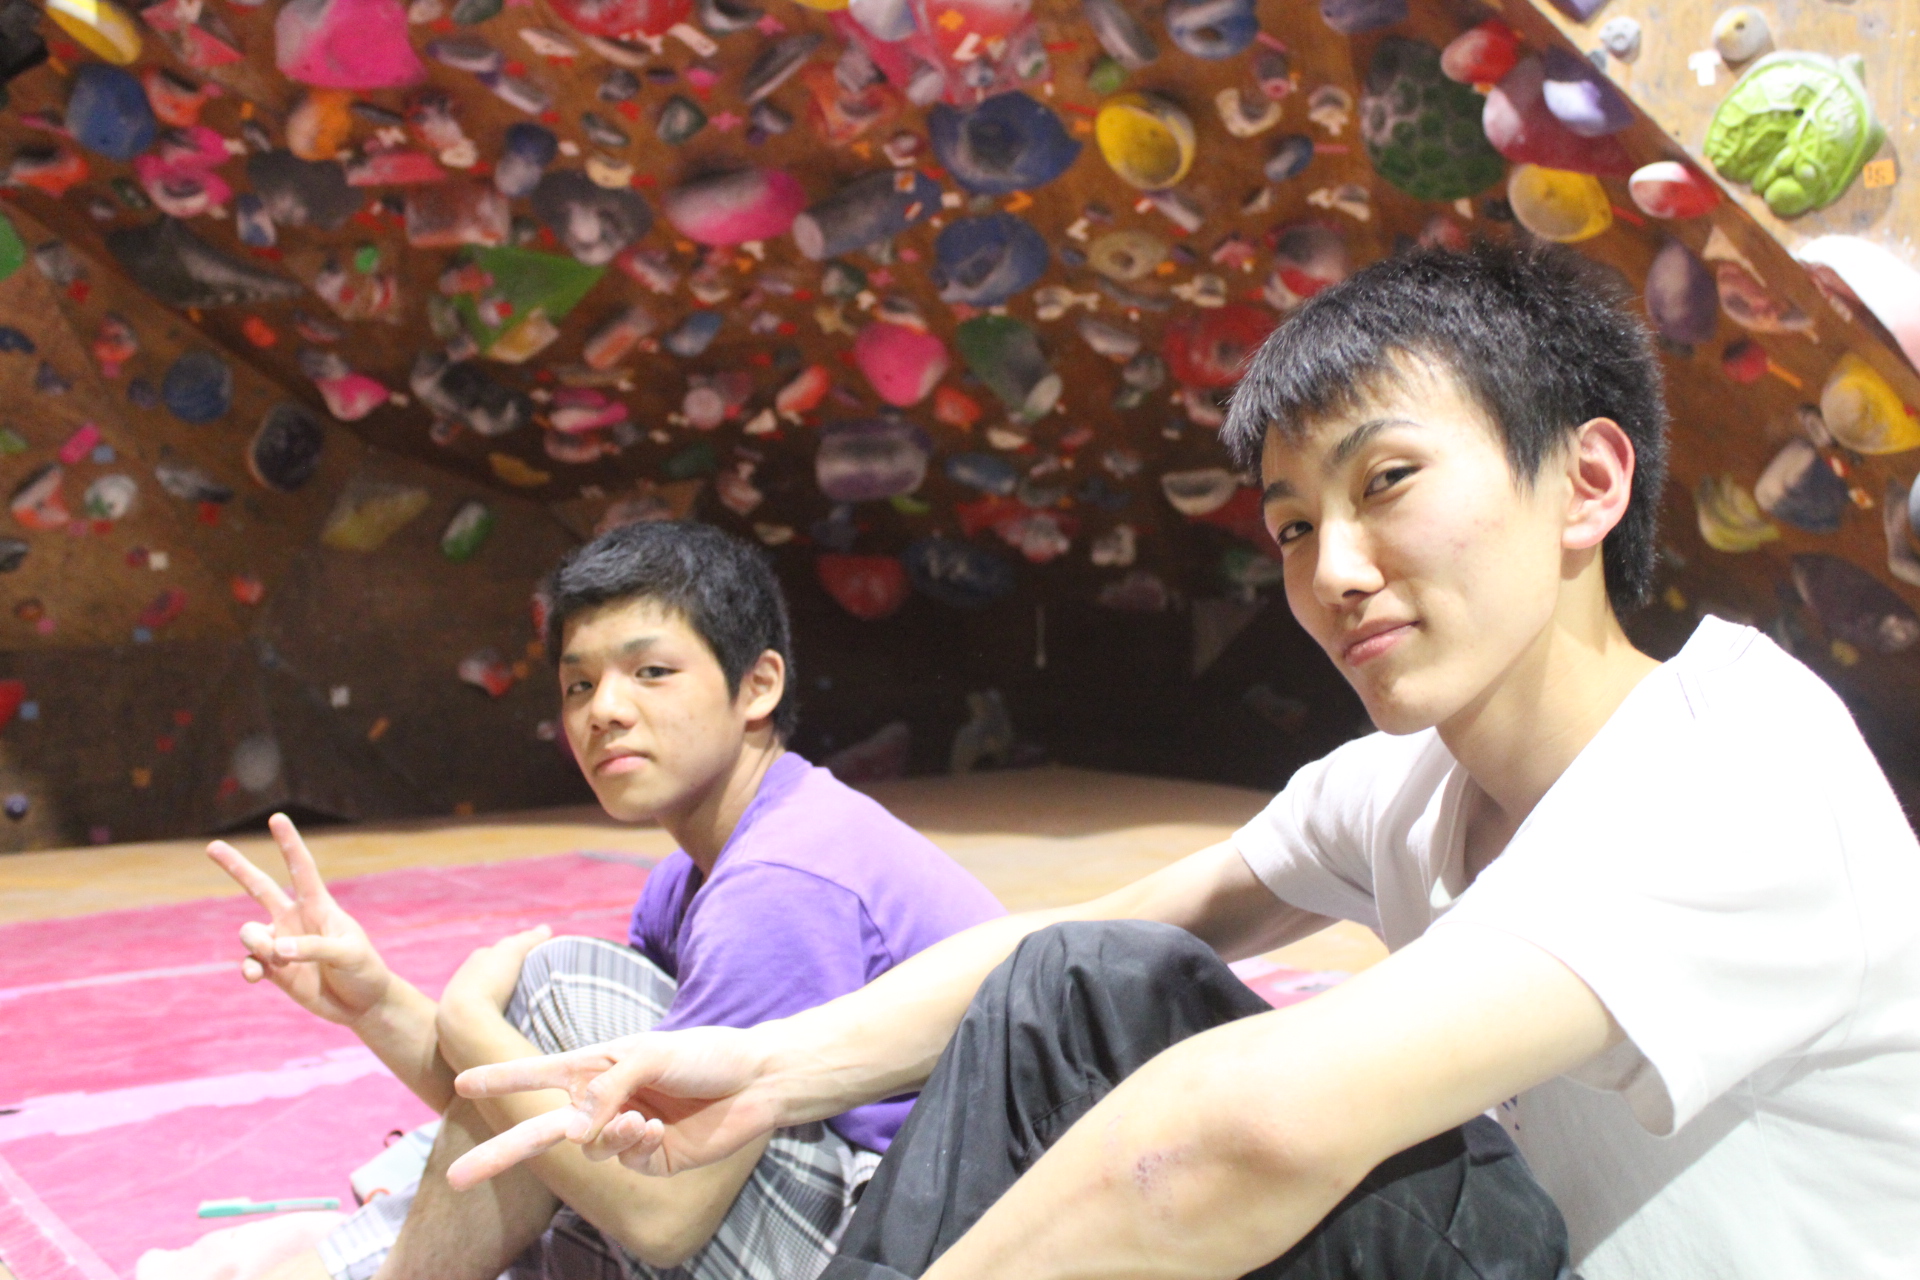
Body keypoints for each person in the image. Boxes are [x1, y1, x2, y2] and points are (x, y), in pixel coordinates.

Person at [447, 241, 1920, 1280]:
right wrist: (768, 1068)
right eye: (1293, 524)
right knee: (1082, 982)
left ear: (1587, 482)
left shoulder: (1739, 771)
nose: (1335, 569)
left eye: (1388, 481)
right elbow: (1091, 946)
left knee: (1224, 1116)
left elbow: (1250, 1131)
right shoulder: (1406, 781)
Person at [205, 520, 1006, 1280]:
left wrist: (468, 1021)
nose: (604, 711)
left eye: (651, 672)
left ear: (758, 686)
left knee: (559, 986)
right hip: (843, 1220)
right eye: (579, 684)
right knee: (562, 1127)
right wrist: (376, 1003)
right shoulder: (692, 877)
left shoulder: (783, 881)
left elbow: (665, 1219)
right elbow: (550, 1115)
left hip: (920, 1245)